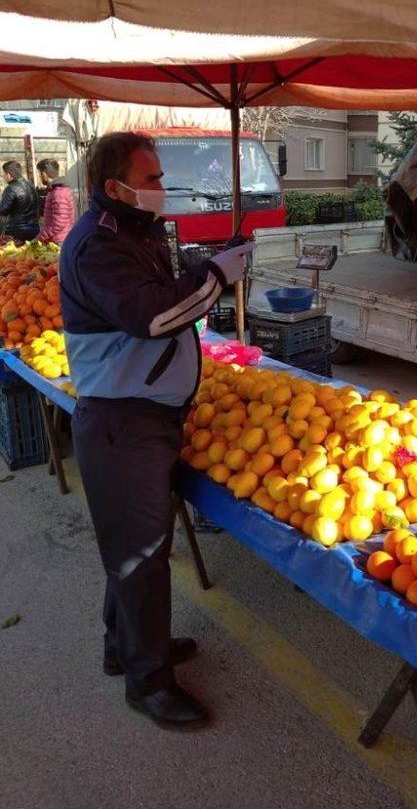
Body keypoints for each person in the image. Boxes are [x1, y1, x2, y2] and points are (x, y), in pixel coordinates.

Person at [60, 132, 248, 729]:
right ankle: (149, 683)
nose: (163, 188)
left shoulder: (133, 231)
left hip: (145, 417)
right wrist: (214, 277)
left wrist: (204, 266)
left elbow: (160, 293)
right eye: (153, 179)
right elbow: (154, 315)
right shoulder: (97, 245)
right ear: (115, 187)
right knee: (140, 555)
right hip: (123, 423)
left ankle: (125, 648)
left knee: (136, 545)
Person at [36, 158, 76, 244]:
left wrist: (40, 238)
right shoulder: (56, 190)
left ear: (44, 174)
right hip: (60, 238)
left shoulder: (58, 193)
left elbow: (58, 224)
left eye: (39, 174)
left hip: (59, 241)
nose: (39, 177)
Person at [0, 160, 40, 240]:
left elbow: (3, 210)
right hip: (34, 228)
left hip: (16, 231)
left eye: (4, 174)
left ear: (9, 175)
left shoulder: (11, 188)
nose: (3, 177)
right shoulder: (31, 186)